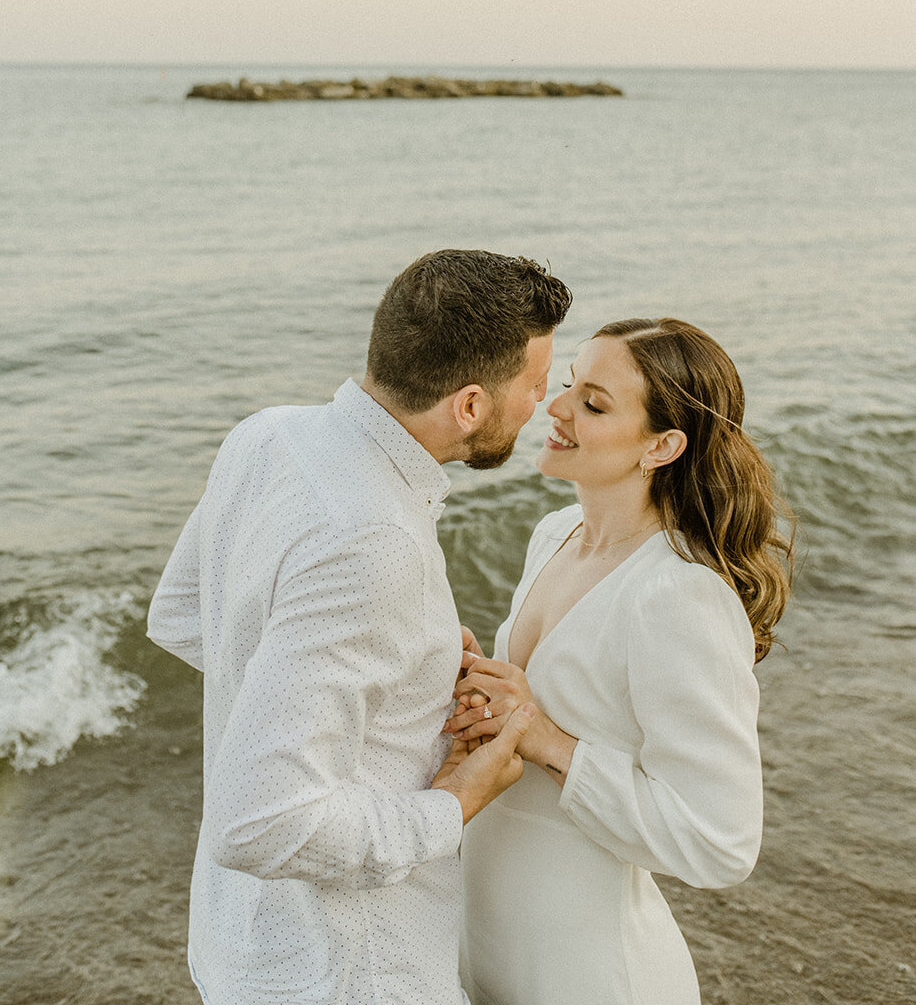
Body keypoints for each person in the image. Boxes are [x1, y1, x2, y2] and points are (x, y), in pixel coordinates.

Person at [147, 249, 572, 1005]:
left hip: (241, 941)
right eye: (534, 383)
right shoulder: (377, 542)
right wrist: (453, 803)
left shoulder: (268, 436)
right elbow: (261, 823)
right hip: (352, 970)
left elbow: (185, 615)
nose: (543, 401)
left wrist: (406, 664)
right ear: (469, 405)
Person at [450, 317, 795, 1005]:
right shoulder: (556, 534)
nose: (556, 408)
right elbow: (537, 710)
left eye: (593, 403)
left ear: (661, 445)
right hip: (482, 942)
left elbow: (718, 844)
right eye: (569, 385)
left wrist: (544, 738)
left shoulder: (678, 594)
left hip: (589, 972)